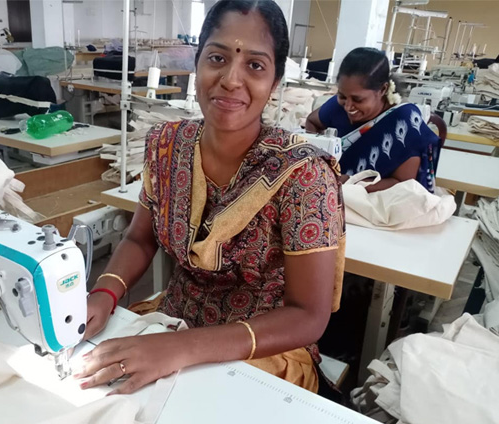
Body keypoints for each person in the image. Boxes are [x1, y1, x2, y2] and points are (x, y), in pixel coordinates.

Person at [75, 0, 345, 395]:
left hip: (260, 349)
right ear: (197, 64)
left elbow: (309, 316)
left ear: (275, 82)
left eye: (255, 65)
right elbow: (139, 238)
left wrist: (183, 347)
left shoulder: (303, 175)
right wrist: (103, 292)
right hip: (175, 319)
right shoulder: (167, 145)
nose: (231, 79)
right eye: (217, 58)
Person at [306, 47, 442, 193]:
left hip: (377, 200)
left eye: (358, 99)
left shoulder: (404, 123)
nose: (348, 106)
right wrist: (318, 162)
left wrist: (353, 182)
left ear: (383, 89)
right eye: (342, 96)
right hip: (334, 190)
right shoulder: (339, 105)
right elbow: (312, 122)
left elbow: (402, 184)